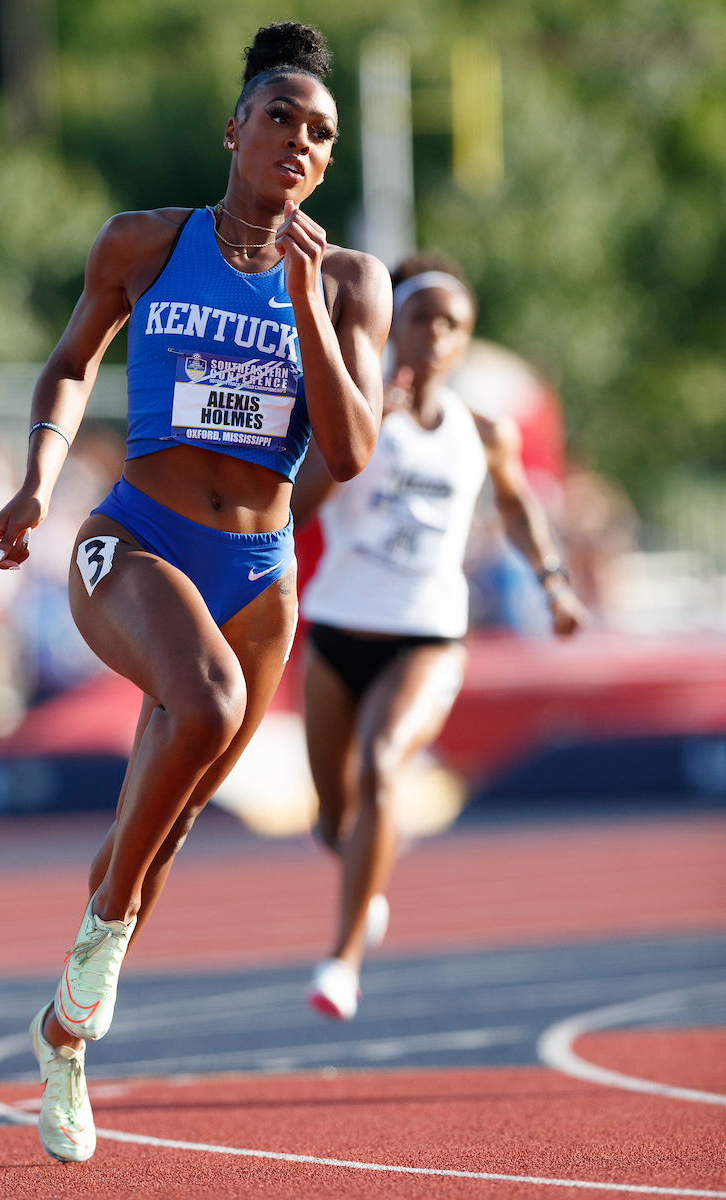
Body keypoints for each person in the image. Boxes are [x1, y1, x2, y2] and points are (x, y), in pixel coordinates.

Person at [0, 23, 390, 1163]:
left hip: (260, 573)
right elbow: (71, 360)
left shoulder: (351, 281)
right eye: (280, 119)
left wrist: (308, 305)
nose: (299, 143)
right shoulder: (145, 245)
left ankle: (64, 1039)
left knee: (162, 829)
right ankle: (100, 943)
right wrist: (33, 483)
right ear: (234, 128)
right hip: (137, 540)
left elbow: (351, 451)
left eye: (321, 134)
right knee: (204, 706)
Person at [292, 252, 588, 1022]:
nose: (433, 336)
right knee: (332, 821)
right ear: (392, 327)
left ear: (464, 342)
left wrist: (553, 581)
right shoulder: (356, 414)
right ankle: (363, 864)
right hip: (336, 634)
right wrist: (366, 428)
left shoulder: (483, 432)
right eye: (420, 318)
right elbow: (299, 507)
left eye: (451, 325)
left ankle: (343, 962)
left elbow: (519, 506)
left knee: (385, 765)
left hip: (426, 636)